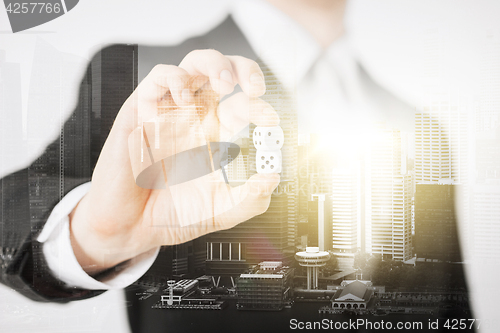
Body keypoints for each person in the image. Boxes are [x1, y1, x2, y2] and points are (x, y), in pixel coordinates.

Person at [0, 0, 472, 331]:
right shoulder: (143, 76)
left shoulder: (421, 128)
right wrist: (96, 236)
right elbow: (12, 214)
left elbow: (449, 306)